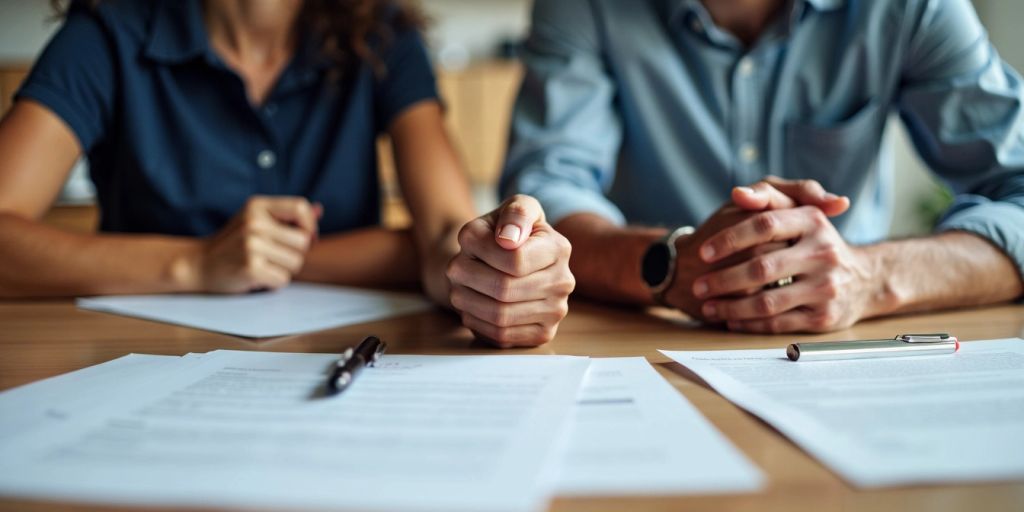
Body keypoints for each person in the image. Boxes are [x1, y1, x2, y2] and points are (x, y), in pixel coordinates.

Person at [0, 0, 574, 348]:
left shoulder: (383, 34)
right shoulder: (107, 31)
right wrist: (198, 263)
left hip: (334, 363)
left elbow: (441, 239)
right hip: (132, 360)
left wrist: (492, 264)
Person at [502, 0, 1024, 334]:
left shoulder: (913, 8)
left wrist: (870, 276)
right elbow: (549, 195)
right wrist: (670, 263)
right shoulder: (583, 8)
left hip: (851, 344)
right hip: (648, 339)